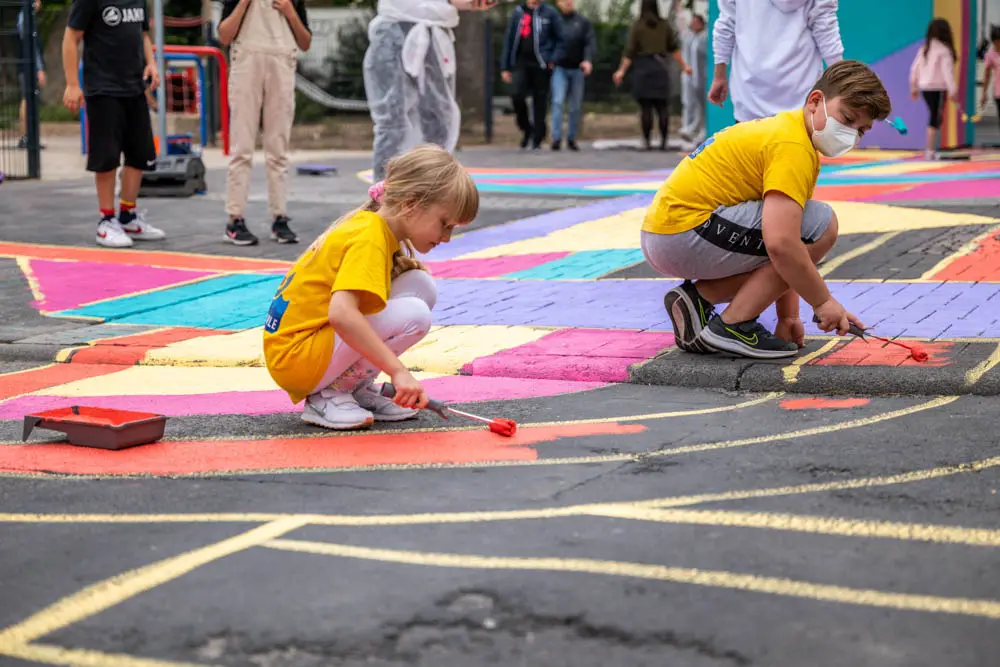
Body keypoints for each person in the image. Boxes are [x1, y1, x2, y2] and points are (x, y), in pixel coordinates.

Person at [641, 60, 891, 359]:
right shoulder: (793, 146)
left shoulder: (789, 131)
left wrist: (789, 319)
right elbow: (782, 243)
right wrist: (823, 303)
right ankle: (734, 324)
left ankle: (698, 299)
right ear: (815, 101)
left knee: (800, 227)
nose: (851, 135)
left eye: (861, 130)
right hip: (683, 232)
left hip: (670, 232)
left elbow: (787, 242)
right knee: (822, 224)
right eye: (848, 119)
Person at [263, 145, 478, 430]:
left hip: (303, 351)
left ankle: (355, 388)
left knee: (420, 286)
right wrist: (398, 372)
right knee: (415, 313)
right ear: (411, 204)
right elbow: (341, 314)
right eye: (445, 224)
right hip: (298, 361)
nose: (447, 238)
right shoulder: (370, 237)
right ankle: (329, 394)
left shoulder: (376, 228)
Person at [63, 0, 166, 249]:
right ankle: (106, 220)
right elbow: (70, 38)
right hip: (103, 89)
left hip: (134, 88)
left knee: (140, 156)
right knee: (107, 158)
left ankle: (127, 216)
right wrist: (72, 84)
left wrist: (151, 63)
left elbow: (142, 34)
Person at [364, 0, 496, 182]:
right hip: (396, 32)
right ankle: (384, 196)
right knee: (394, 122)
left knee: (438, 119)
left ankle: (428, 188)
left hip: (432, 32)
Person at [218, 0, 312, 246]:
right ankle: (234, 218)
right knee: (242, 147)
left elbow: (305, 42)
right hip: (247, 62)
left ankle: (279, 216)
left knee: (278, 149)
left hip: (281, 63)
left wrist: (291, 13)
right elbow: (224, 35)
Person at [708, 0, 844, 123]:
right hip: (801, 94)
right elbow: (826, 28)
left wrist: (719, 75)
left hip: (750, 96)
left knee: (751, 148)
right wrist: (842, 80)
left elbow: (726, 24)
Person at [612, 0, 690, 151]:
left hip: (643, 68)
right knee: (662, 107)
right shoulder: (664, 25)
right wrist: (684, 66)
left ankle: (646, 141)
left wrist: (621, 70)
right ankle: (663, 141)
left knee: (646, 107)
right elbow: (673, 48)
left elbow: (629, 51)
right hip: (660, 67)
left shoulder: (638, 26)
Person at [500, 0, 565, 150]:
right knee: (517, 95)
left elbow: (561, 39)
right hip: (520, 62)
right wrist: (505, 67)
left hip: (541, 62)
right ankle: (526, 128)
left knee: (540, 99)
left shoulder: (550, 13)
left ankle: (538, 136)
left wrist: (553, 58)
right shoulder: (518, 12)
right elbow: (509, 40)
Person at [909, 18, 959, 161]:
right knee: (935, 118)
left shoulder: (925, 49)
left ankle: (931, 150)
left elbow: (914, 69)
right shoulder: (944, 50)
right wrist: (953, 90)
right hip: (938, 88)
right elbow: (947, 72)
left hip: (925, 87)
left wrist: (913, 86)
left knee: (934, 117)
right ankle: (930, 151)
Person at [549, 0, 594, 151]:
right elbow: (548, 41)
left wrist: (587, 60)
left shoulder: (582, 22)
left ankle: (571, 137)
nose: (568, 2)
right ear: (558, 3)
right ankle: (556, 137)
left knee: (575, 105)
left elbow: (589, 42)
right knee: (558, 101)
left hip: (577, 68)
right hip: (559, 67)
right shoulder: (554, 21)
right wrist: (551, 58)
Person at [17, 0, 46, 150]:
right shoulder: (25, 18)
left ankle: (30, 136)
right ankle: (26, 137)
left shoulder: (27, 18)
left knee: (28, 99)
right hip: (28, 67)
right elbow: (31, 46)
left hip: (26, 66)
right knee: (27, 100)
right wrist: (39, 69)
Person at [678, 12, 707, 143]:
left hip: (703, 77)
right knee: (689, 103)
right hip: (690, 76)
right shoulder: (690, 37)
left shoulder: (705, 37)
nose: (693, 24)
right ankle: (689, 128)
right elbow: (681, 24)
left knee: (702, 105)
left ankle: (699, 130)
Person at [982, 26, 1000, 133]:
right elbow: (987, 74)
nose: (998, 45)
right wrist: (984, 93)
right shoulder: (990, 55)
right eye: (995, 42)